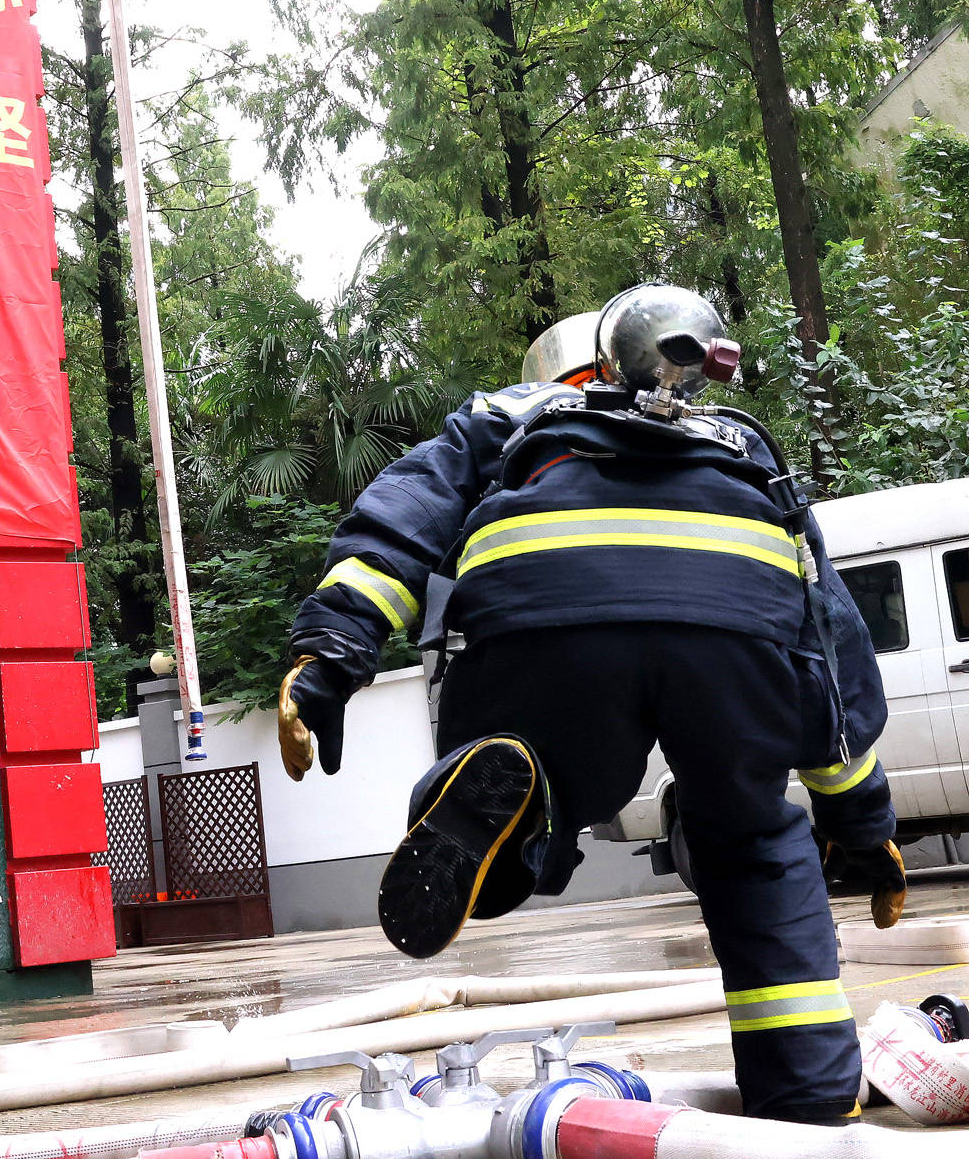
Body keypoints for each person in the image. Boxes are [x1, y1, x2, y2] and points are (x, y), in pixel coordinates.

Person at [277, 285, 905, 1125]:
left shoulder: (509, 412)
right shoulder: (740, 441)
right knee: (753, 840)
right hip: (733, 622)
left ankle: (526, 806)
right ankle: (810, 1094)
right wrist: (861, 821)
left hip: (545, 607)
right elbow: (827, 639)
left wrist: (333, 650)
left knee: (549, 772)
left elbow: (405, 515)